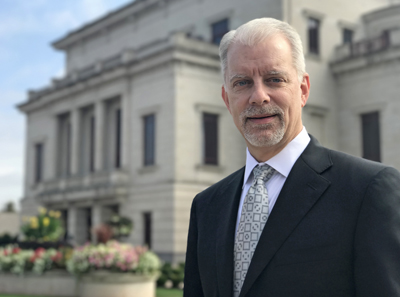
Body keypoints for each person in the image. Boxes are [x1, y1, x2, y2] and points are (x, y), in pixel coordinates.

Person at [183, 18, 400, 297]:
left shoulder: (367, 190)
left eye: (274, 79)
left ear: (303, 89)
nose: (258, 96)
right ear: (227, 99)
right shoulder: (206, 206)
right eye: (242, 83)